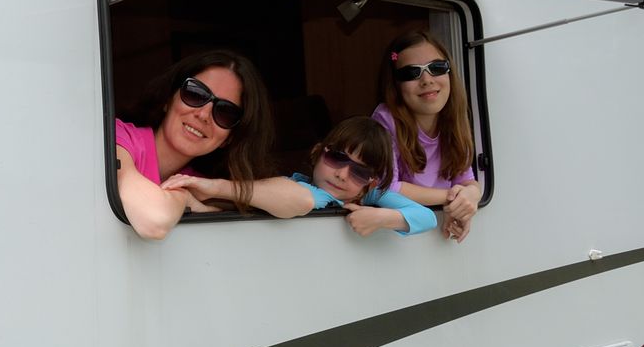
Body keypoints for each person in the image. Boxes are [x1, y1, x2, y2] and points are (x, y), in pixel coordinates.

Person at [161, 117, 437, 237]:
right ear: (318, 153)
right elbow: (299, 196)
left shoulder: (370, 195)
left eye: (360, 171)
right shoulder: (300, 186)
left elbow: (429, 218)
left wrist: (381, 218)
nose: (342, 174)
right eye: (337, 158)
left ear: (371, 182)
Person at [114, 50, 274, 240]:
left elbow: (304, 200)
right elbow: (154, 221)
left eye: (225, 112)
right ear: (168, 98)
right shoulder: (118, 137)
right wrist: (183, 198)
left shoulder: (200, 183)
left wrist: (219, 189)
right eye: (195, 93)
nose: (203, 115)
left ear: (231, 137)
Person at [372, 31, 480, 242]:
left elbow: (466, 181)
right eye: (411, 73)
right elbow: (385, 188)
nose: (427, 80)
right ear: (395, 85)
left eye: (437, 67)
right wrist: (452, 199)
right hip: (396, 243)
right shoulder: (386, 120)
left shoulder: (455, 121)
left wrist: (471, 197)